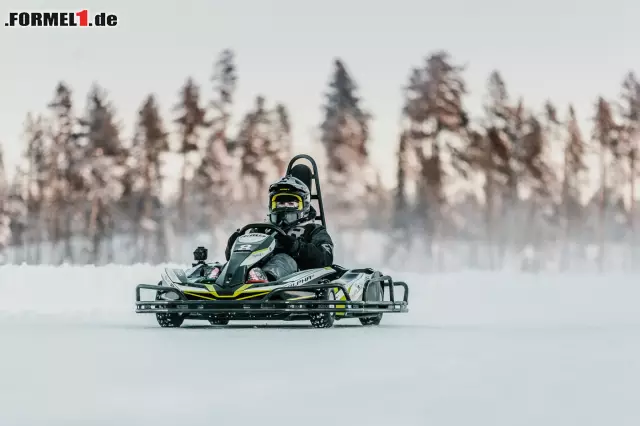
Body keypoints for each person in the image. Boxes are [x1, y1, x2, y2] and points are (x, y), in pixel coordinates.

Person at [211, 167, 334, 283]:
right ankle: (218, 278)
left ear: (304, 205)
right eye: (280, 203)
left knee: (283, 258)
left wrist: (297, 247)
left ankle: (264, 277)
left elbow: (325, 259)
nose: (285, 207)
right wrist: (233, 245)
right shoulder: (262, 229)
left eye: (291, 203)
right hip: (251, 277)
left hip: (298, 280)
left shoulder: (314, 230)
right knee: (239, 263)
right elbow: (237, 258)